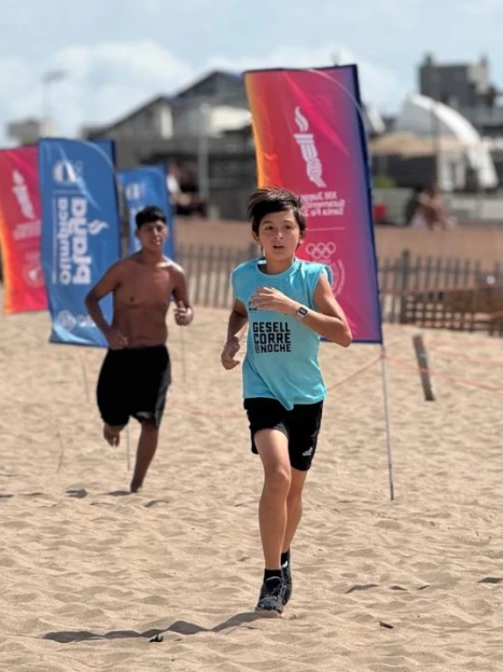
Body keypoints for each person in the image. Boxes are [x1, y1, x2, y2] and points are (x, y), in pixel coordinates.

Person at [220, 187, 352, 615]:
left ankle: (286, 554)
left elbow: (343, 334)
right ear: (256, 235)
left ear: (301, 234)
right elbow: (241, 311)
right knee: (275, 476)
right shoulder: (244, 275)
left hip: (306, 396)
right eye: (269, 228)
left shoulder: (313, 277)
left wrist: (291, 307)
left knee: (294, 491)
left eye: (287, 228)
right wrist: (231, 339)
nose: (278, 235)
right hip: (261, 388)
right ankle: (271, 576)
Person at [84, 206, 193, 494]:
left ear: (166, 231)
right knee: (114, 418)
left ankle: (136, 484)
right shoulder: (124, 269)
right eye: (148, 230)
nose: (155, 234)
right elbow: (92, 299)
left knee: (151, 422)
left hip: (156, 356)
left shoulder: (175, 273)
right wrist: (107, 331)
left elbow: (186, 306)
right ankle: (113, 426)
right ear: (138, 234)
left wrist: (186, 315)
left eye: (159, 228)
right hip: (122, 354)